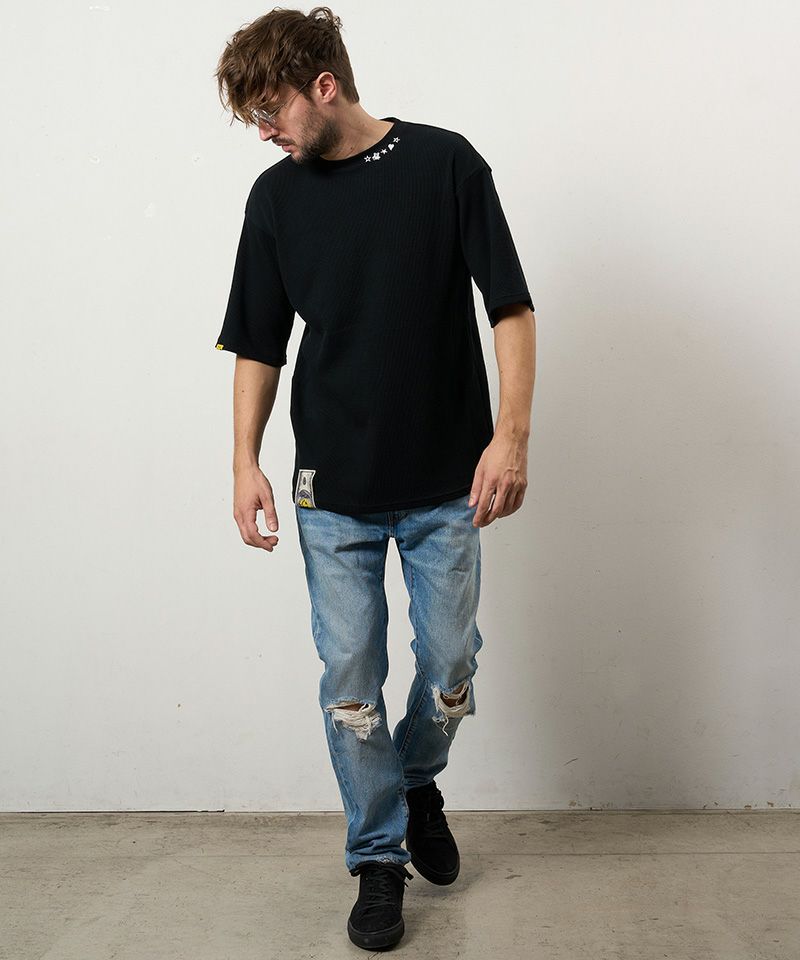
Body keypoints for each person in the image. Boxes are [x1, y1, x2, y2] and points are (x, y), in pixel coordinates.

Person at [213, 6, 536, 951]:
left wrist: (511, 435)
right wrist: (244, 461)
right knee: (350, 681)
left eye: (269, 111)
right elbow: (258, 343)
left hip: (446, 483)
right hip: (333, 492)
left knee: (451, 668)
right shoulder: (275, 199)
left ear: (325, 86)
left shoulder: (446, 164)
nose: (262, 133)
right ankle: (378, 859)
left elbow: (510, 307)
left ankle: (416, 778)